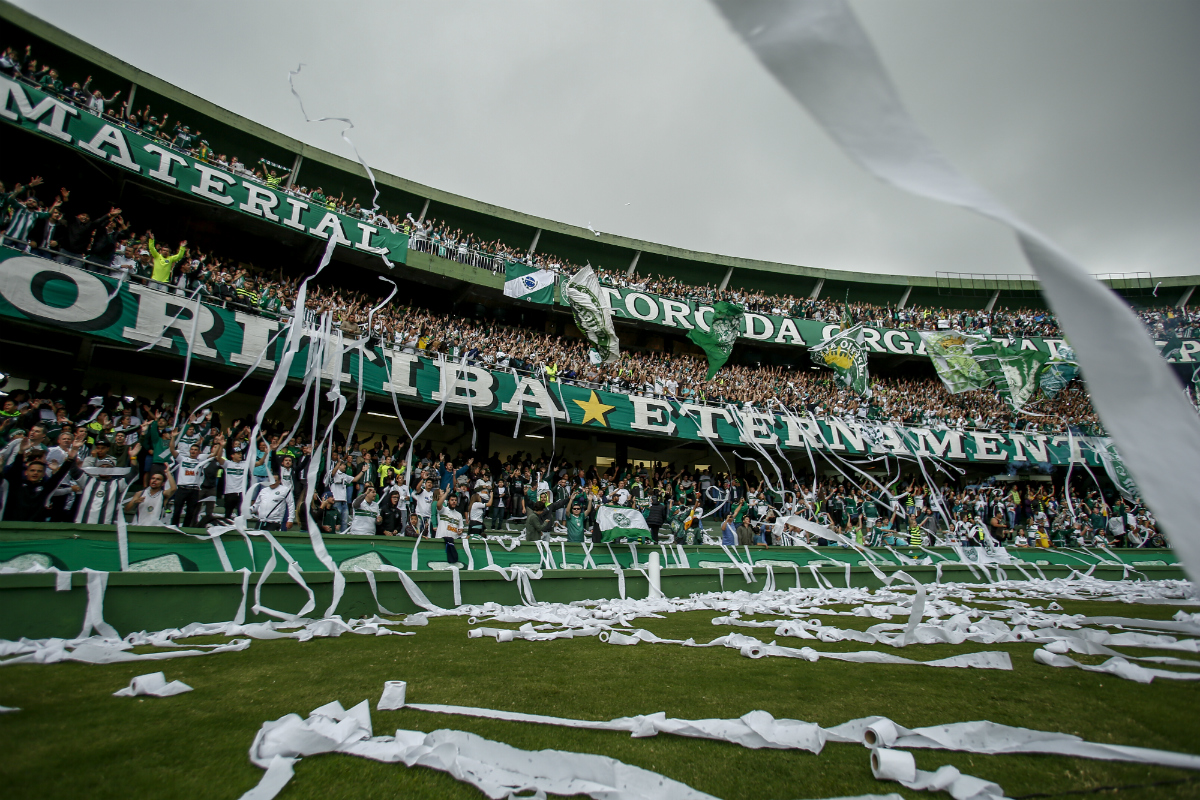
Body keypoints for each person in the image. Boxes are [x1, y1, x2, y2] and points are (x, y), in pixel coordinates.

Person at [1, 429, 84, 521]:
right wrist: (20, 453)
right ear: (26, 472)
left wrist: (70, 458)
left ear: (43, 474)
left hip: (36, 528)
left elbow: (58, 476)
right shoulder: (17, 485)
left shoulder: (45, 488)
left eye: (39, 471)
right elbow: (16, 470)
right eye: (32, 470)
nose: (35, 473)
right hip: (12, 525)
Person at [74, 457, 130, 524]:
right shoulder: (88, 480)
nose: (104, 469)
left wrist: (133, 458)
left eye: (107, 467)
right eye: (101, 467)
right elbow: (73, 471)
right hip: (83, 523)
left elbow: (133, 474)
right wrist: (72, 457)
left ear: (113, 470)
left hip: (105, 525)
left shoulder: (118, 483)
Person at [434, 488, 464, 564]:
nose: (454, 502)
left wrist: (460, 531)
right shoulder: (443, 510)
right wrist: (446, 492)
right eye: (452, 500)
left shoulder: (459, 515)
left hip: (452, 542)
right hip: (441, 540)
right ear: (448, 501)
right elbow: (438, 504)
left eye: (455, 500)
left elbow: (461, 528)